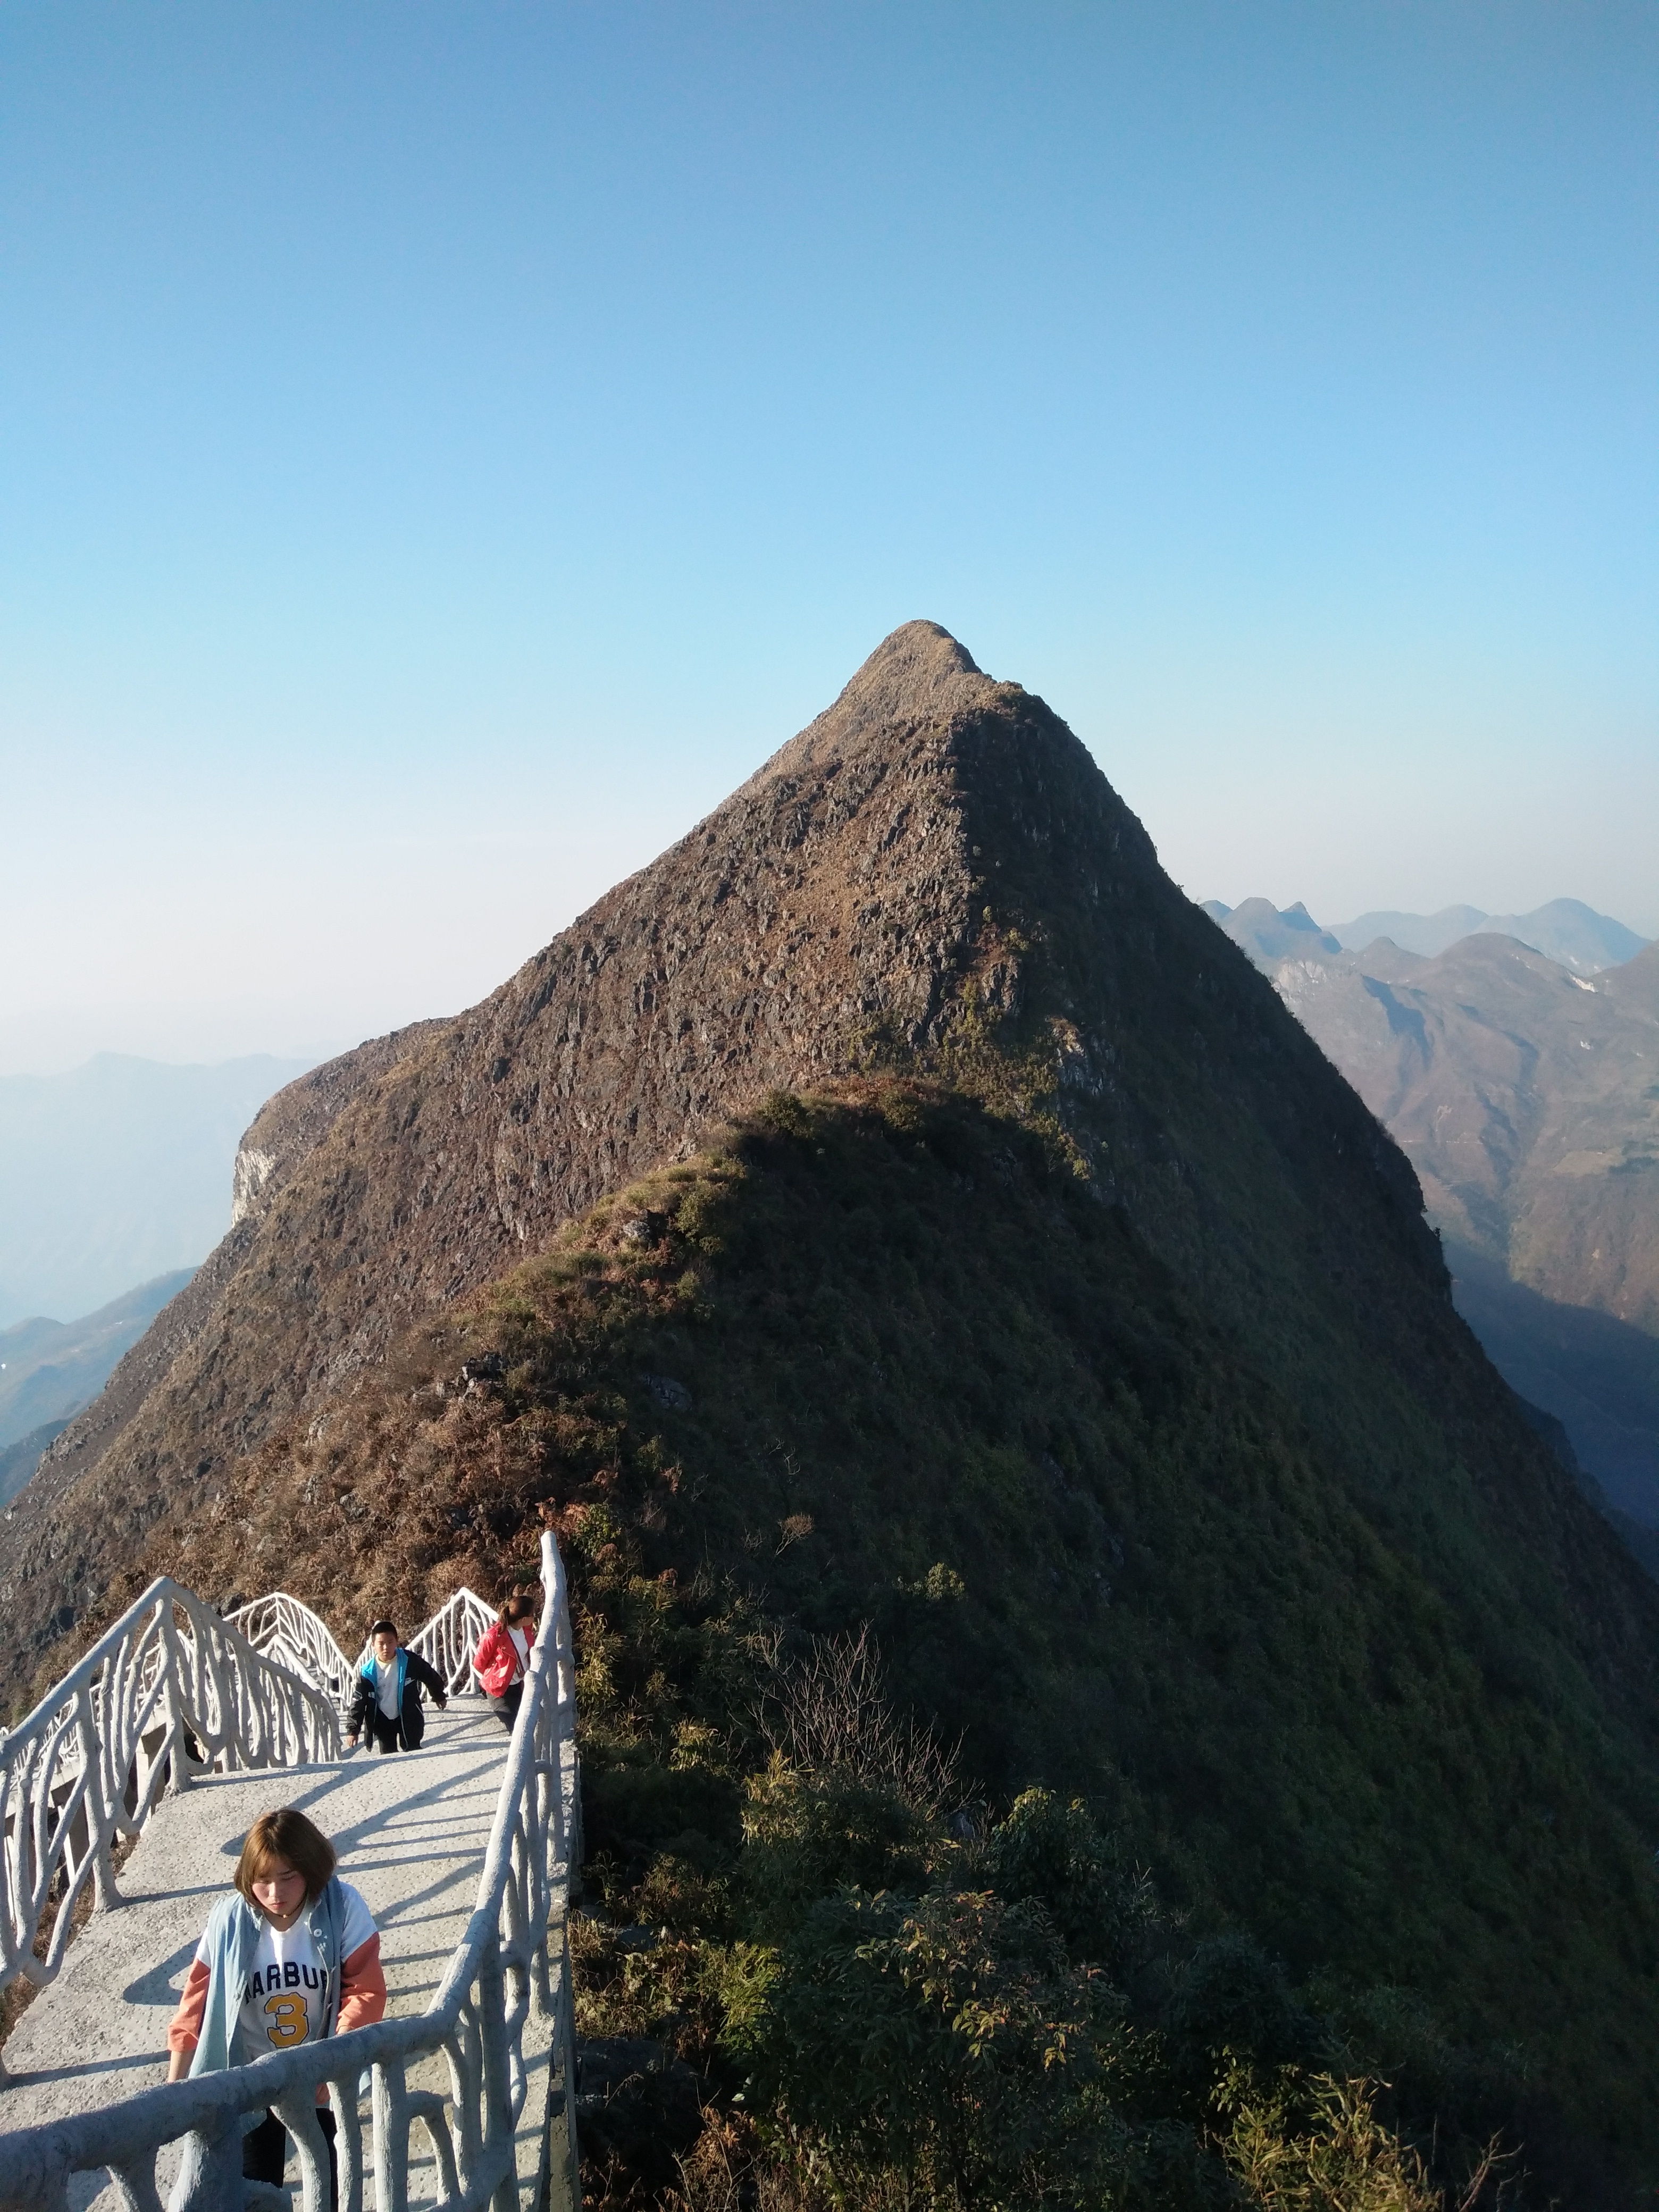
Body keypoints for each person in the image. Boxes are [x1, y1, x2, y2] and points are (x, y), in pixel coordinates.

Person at [166, 1806, 386, 2209]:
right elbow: (193, 2006)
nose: (275, 1894)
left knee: (331, 2183)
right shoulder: (229, 1919)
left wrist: (335, 2059)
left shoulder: (342, 1906)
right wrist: (173, 2090)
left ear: (313, 1869)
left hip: (318, 2072)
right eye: (262, 1881)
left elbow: (365, 1992)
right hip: (249, 2078)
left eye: (288, 1878)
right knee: (253, 2189)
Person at [346, 1620, 448, 1754]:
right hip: (382, 1719)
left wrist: (439, 1696)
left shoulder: (409, 1660)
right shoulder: (367, 1672)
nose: (386, 1648)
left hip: (408, 1715)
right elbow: (358, 1701)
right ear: (373, 1645)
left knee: (413, 1751)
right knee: (389, 1756)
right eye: (381, 1644)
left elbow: (429, 1676)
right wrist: (353, 1730)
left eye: (390, 1642)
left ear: (397, 1641)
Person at [472, 1591, 538, 1731]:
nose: (535, 1617)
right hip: (500, 1689)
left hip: (520, 1685)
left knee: (531, 1722)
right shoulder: (493, 1636)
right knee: (516, 1727)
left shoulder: (526, 1630)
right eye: (533, 1614)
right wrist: (496, 1677)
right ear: (524, 1618)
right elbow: (479, 1663)